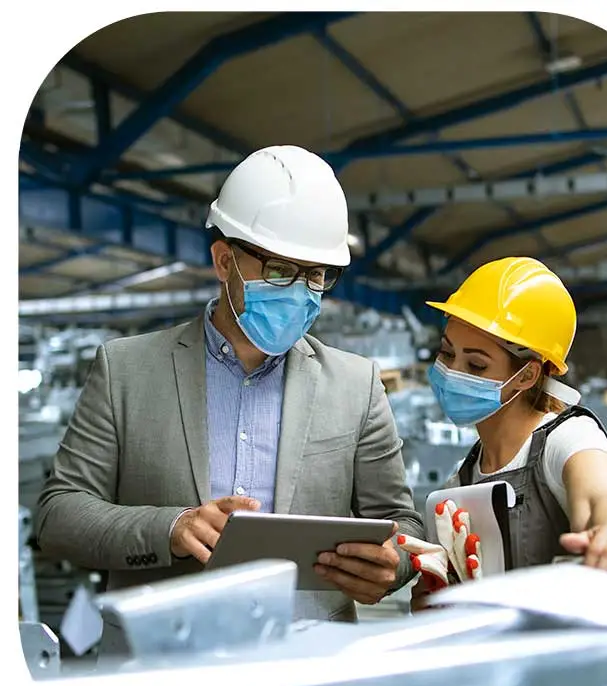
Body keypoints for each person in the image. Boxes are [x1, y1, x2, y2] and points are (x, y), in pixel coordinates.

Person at [36, 145, 424, 651]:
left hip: (308, 664)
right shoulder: (126, 370)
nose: (304, 293)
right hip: (157, 663)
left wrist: (391, 567)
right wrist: (172, 527)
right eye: (283, 271)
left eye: (317, 277)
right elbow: (58, 515)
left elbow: (402, 525)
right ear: (225, 261)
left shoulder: (356, 385)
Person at [397, 256, 607, 608]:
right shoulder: (459, 483)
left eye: (476, 364)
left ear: (526, 376)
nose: (451, 372)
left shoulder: (570, 440)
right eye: (447, 353)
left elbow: (598, 498)